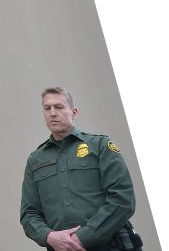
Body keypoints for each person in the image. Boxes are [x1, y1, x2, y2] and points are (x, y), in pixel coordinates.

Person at [20, 87, 137, 251]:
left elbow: (123, 199)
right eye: (47, 108)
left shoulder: (100, 145)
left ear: (74, 112)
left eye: (59, 107)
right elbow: (29, 214)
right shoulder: (35, 160)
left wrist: (82, 238)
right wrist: (49, 236)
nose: (52, 113)